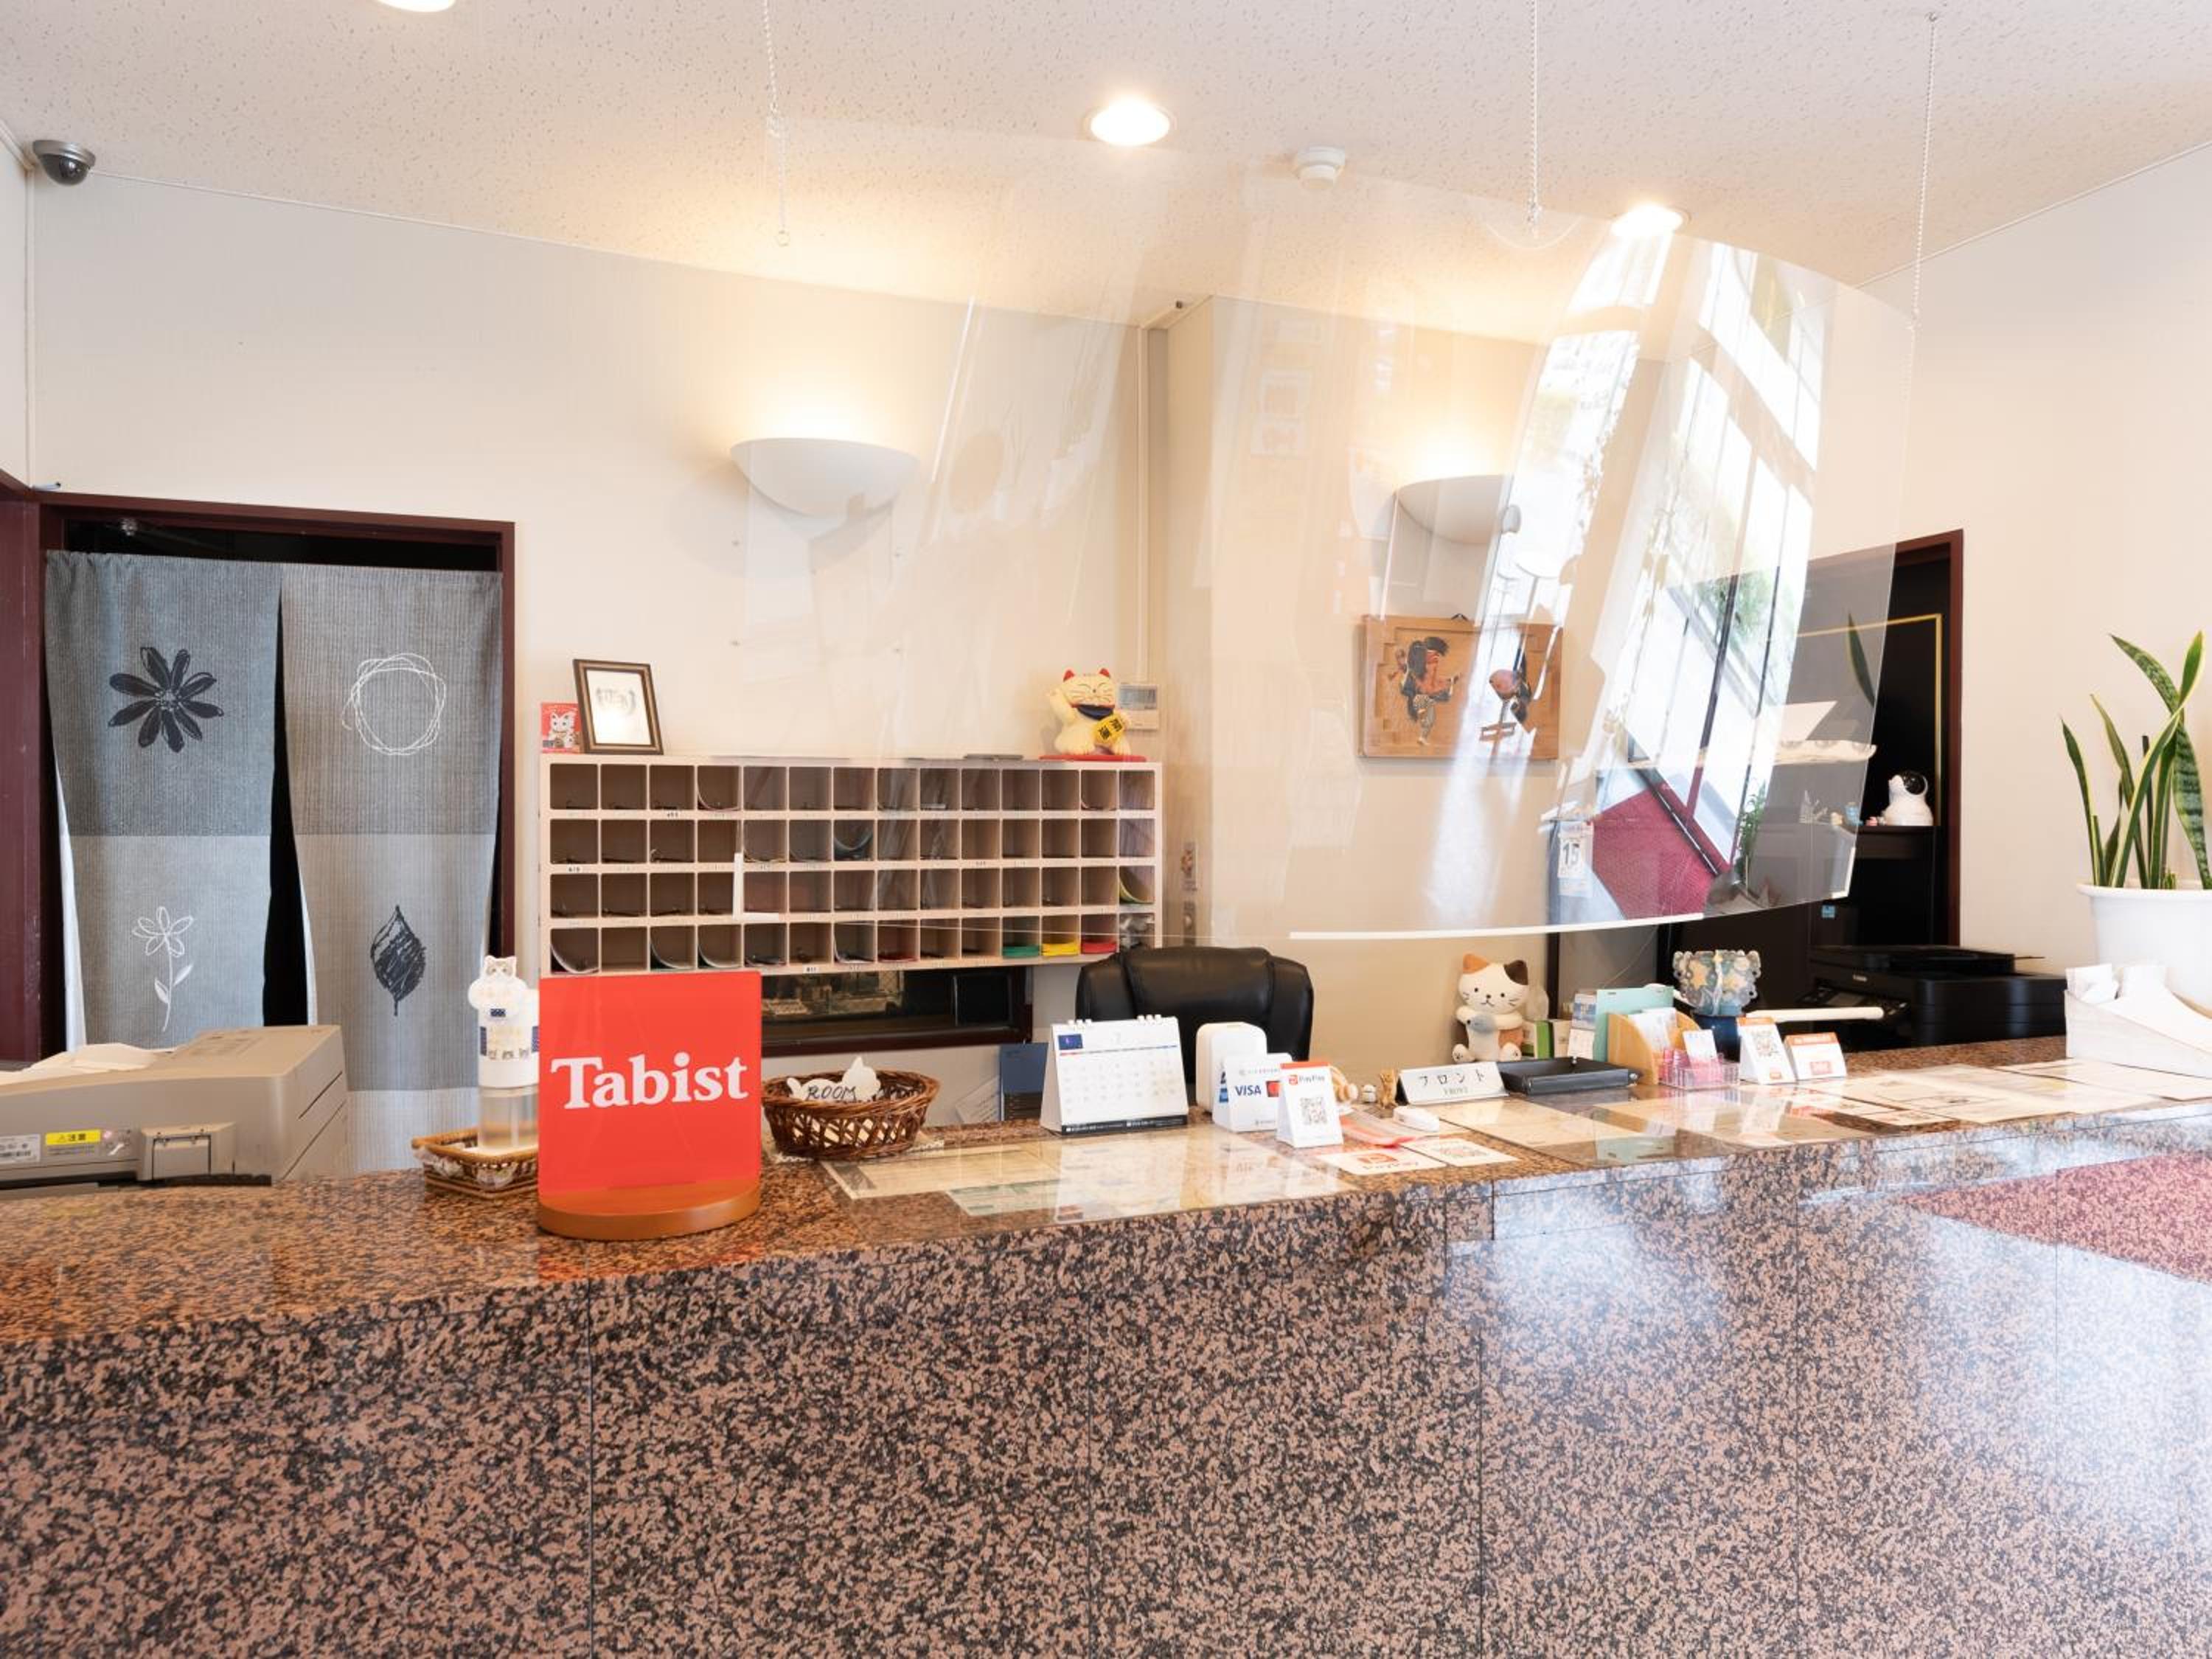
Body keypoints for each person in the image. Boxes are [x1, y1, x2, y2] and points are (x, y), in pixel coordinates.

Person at [1399, 636, 1457, 743]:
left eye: (1437, 655)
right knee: (1429, 715)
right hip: (1420, 694)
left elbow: (1431, 682)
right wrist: (1444, 687)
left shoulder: (1423, 662)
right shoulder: (1423, 664)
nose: (1437, 658)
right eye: (1435, 654)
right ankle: (1421, 728)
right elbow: (1426, 686)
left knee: (1430, 718)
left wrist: (1446, 683)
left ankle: (1422, 736)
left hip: (1420, 694)